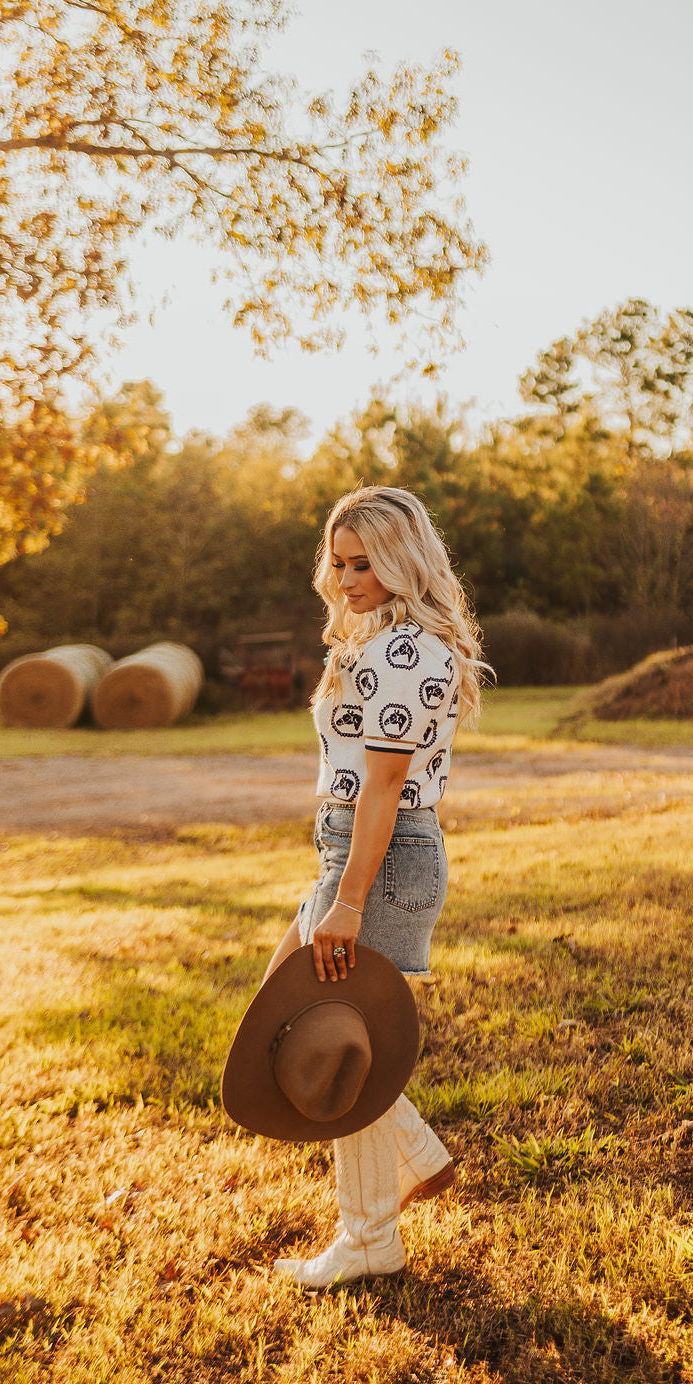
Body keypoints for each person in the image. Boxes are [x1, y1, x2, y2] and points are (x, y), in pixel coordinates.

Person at [265, 484, 488, 1289]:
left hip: (381, 863)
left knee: (335, 1043)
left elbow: (385, 792)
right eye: (340, 560)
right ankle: (418, 1159)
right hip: (351, 854)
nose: (348, 576)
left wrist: (349, 904)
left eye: (367, 563)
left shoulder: (404, 651)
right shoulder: (385, 639)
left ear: (404, 560)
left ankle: (368, 1240)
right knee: (291, 1017)